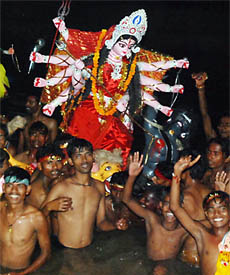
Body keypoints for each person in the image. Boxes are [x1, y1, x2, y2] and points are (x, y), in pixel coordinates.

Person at [30, 9, 189, 168]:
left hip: (111, 115)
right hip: (88, 109)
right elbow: (77, 48)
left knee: (119, 143)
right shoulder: (96, 59)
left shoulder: (130, 68)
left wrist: (175, 64)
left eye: (130, 46)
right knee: (78, 147)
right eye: (122, 44)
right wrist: (63, 30)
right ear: (112, 42)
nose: (125, 49)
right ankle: (49, 88)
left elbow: (152, 67)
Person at [41, 137, 126, 249]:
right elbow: (37, 217)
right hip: (65, 250)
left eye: (88, 154)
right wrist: (49, 207)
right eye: (78, 156)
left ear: (93, 157)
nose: (84, 160)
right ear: (71, 161)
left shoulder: (99, 187)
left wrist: (115, 225)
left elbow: (101, 223)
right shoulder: (61, 187)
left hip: (88, 248)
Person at [122, 152, 188, 275]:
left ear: (181, 208)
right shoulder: (152, 220)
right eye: (166, 204)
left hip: (169, 267)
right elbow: (127, 200)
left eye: (174, 206)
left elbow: (212, 225)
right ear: (160, 205)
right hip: (148, 263)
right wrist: (131, 176)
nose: (170, 209)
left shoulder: (184, 229)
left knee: (160, 271)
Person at [170, 155, 230, 275]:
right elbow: (175, 207)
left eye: (222, 209)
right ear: (206, 214)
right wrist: (177, 173)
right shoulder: (202, 235)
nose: (217, 214)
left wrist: (224, 193)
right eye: (212, 210)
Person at [0, 166, 50, 275]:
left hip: (22, 272)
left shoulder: (36, 218)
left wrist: (23, 274)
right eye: (9, 186)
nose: (14, 191)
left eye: (20, 186)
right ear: (3, 188)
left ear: (27, 190)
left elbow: (46, 253)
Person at [192, 72, 230, 140]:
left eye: (227, 124)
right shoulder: (214, 141)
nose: (222, 128)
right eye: (221, 124)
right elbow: (205, 114)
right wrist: (201, 88)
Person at [26, 144, 65, 209]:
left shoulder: (57, 178)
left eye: (58, 161)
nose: (55, 166)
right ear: (39, 166)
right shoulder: (38, 193)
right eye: (49, 162)